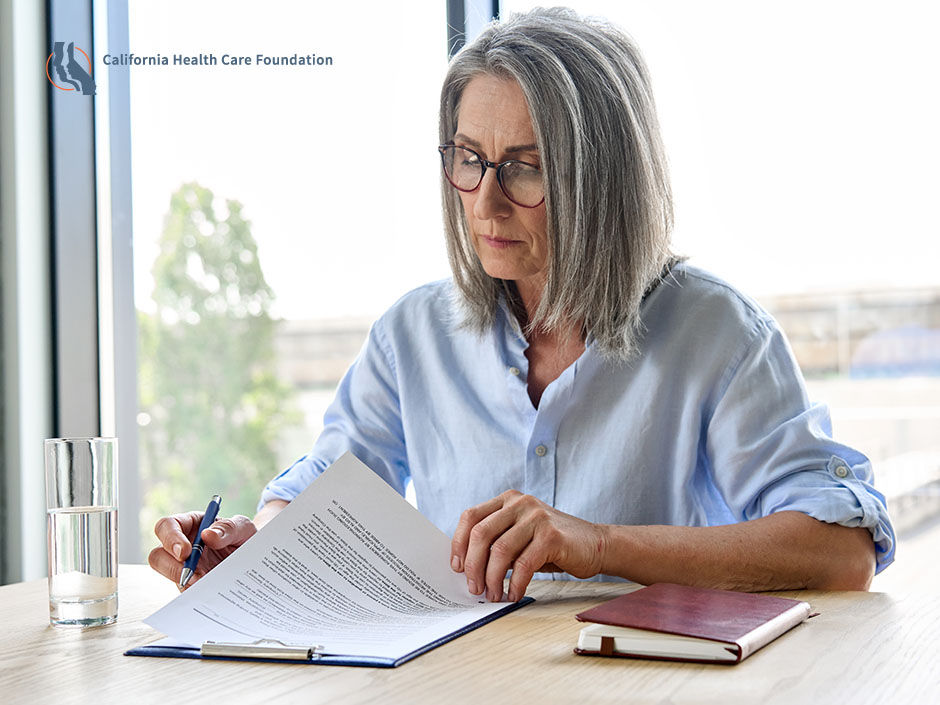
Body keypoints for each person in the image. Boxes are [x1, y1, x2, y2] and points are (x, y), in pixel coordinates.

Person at [150, 7, 894, 600]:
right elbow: (326, 486)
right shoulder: (412, 335)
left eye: (525, 168)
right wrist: (258, 543)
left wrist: (596, 543)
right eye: (469, 159)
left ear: (603, 180)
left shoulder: (718, 333)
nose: (487, 202)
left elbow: (839, 550)